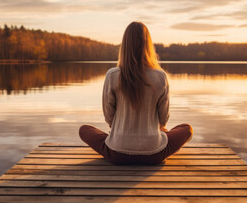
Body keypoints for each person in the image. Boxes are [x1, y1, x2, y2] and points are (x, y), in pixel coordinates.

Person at [79, 21, 192, 165]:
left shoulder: (112, 75)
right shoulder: (160, 76)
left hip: (117, 154)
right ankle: (152, 139)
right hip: (154, 154)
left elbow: (109, 116)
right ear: (148, 45)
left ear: (124, 46)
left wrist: (120, 131)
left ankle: (121, 139)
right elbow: (163, 119)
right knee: (187, 129)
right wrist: (158, 130)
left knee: (84, 130)